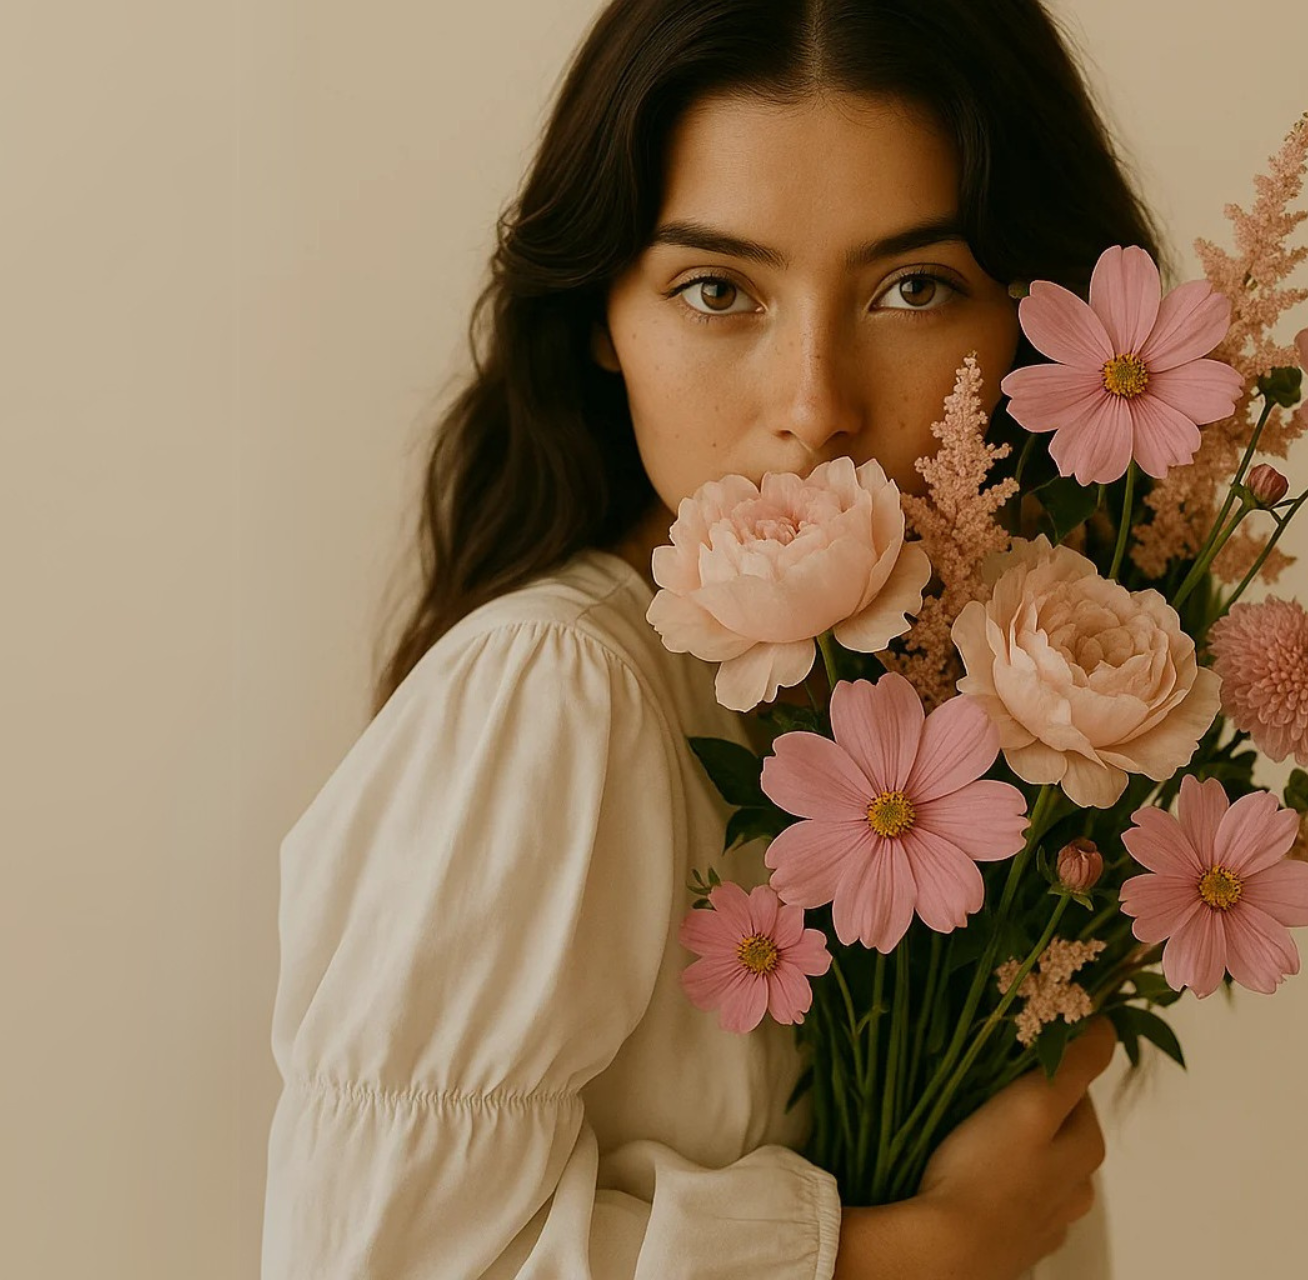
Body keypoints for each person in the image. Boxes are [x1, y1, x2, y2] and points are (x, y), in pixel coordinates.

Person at [260, 1, 1170, 1275]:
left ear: (1040, 320)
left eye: (916, 287)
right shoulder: (557, 691)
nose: (814, 406)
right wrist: (924, 1253)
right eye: (716, 289)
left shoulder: (998, 709)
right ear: (601, 316)